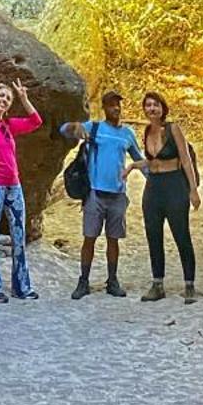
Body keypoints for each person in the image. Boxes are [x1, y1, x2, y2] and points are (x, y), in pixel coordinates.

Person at [58, 90, 144, 300]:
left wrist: (154, 175)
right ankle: (83, 281)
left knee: (113, 239)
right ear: (104, 108)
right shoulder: (95, 128)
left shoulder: (127, 134)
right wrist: (75, 128)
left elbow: (139, 158)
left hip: (117, 194)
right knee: (90, 238)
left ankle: (112, 281)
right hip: (95, 193)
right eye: (111, 104)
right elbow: (64, 130)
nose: (116, 108)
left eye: (118, 104)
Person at [0, 77, 43, 302]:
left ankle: (21, 286)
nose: (5, 100)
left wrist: (24, 98)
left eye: (8, 98)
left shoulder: (9, 125)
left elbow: (36, 121)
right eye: (2, 96)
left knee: (19, 235)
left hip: (14, 185)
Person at [139, 90, 201, 304]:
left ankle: (189, 285)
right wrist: (131, 166)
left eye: (155, 105)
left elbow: (185, 160)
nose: (151, 109)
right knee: (153, 235)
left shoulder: (173, 129)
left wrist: (193, 190)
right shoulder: (147, 131)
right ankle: (157, 284)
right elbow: (150, 161)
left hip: (175, 185)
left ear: (163, 108)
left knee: (181, 235)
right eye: (148, 105)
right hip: (153, 187)